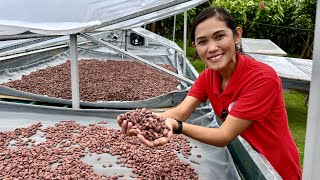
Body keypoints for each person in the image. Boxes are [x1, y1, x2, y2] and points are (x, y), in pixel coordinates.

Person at [118, 6, 302, 180]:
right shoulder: (208, 76)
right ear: (195, 46)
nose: (212, 48)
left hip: (273, 169)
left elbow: (224, 136)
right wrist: (142, 121)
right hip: (243, 159)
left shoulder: (262, 78)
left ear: (237, 35)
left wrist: (177, 126)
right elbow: (180, 112)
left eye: (219, 36)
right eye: (203, 42)